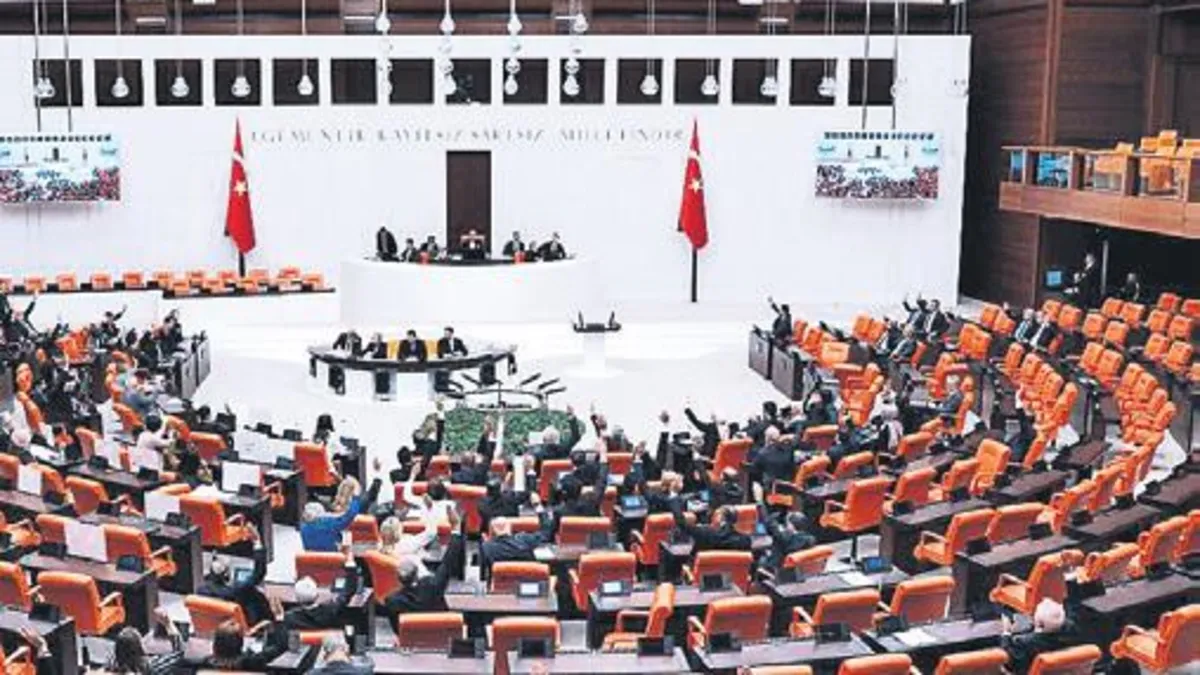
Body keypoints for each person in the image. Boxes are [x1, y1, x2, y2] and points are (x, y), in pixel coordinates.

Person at [380, 533, 465, 631]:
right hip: (442, 635)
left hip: (410, 639)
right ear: (417, 575)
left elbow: (397, 629)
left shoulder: (392, 601)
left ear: (398, 579)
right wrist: (455, 535)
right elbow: (447, 564)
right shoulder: (433, 586)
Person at [199, 525, 269, 623]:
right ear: (226, 575)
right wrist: (257, 541)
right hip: (244, 626)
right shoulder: (236, 591)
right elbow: (259, 573)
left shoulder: (201, 591)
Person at [282, 550, 361, 630]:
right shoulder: (330, 610)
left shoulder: (290, 618)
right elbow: (349, 591)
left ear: (297, 599)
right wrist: (350, 565)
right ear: (317, 595)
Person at [301, 475, 381, 551]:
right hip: (346, 551)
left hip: (315, 557)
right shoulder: (333, 522)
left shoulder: (304, 527)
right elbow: (347, 518)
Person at [1001, 598, 1077, 673]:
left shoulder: (1024, 643)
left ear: (1039, 623)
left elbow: (1008, 663)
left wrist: (1006, 632)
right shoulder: (1071, 635)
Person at [204, 610, 290, 671]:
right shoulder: (252, 661)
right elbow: (280, 646)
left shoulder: (206, 662)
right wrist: (279, 620)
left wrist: (255, 629)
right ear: (240, 643)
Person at [672, 504, 751, 552]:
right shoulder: (745, 540)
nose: (711, 518)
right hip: (734, 575)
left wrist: (673, 497)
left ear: (719, 518)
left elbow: (681, 524)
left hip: (704, 574)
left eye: (714, 515)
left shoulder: (703, 533)